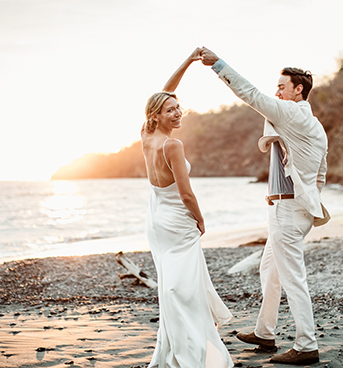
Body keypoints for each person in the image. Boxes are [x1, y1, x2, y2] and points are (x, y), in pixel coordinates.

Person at [200, 47, 328, 365]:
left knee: (291, 275)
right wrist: (309, 202)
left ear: (299, 90)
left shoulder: (293, 113)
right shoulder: (312, 124)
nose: (277, 92)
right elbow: (321, 173)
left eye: (282, 87)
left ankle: (306, 345)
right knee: (270, 270)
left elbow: (251, 94)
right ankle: (264, 332)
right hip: (291, 208)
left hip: (287, 209)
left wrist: (218, 64)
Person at [141, 48, 234, 368]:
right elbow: (186, 194)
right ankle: (194, 352)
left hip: (155, 220)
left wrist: (188, 62)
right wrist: (201, 219)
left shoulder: (146, 135)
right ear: (156, 115)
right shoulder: (172, 145)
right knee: (186, 289)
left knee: (171, 286)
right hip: (177, 222)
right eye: (171, 110)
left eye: (179, 108)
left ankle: (173, 347)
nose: (178, 112)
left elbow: (163, 93)